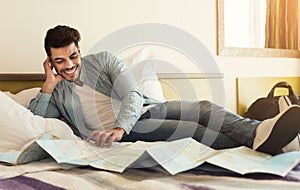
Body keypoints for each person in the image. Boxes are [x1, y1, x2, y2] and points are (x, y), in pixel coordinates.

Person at [29, 25, 300, 156]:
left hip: (141, 112)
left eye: (73, 56)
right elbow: (36, 122)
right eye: (60, 61)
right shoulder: (57, 93)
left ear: (80, 50)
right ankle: (272, 143)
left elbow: (133, 93)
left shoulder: (103, 60)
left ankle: (258, 131)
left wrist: (120, 126)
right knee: (194, 132)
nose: (69, 65)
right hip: (122, 135)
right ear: (50, 61)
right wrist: (48, 86)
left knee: (204, 107)